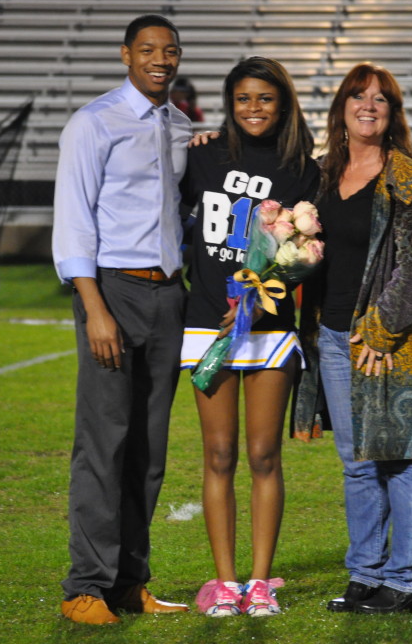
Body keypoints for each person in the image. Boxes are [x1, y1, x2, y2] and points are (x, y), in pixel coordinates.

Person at [51, 14, 191, 625]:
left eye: (170, 50)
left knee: (149, 449)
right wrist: (94, 306)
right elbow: (74, 217)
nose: (160, 59)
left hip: (170, 296)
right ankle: (85, 585)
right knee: (103, 444)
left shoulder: (181, 126)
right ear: (126, 55)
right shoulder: (93, 122)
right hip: (113, 292)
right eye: (148, 50)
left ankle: (129, 582)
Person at [292, 63, 412, 615]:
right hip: (330, 337)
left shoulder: (405, 176)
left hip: (389, 340)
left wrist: (379, 331)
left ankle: (409, 581)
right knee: (357, 460)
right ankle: (366, 573)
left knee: (401, 457)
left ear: (393, 113)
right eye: (359, 96)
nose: (369, 104)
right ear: (342, 109)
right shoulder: (321, 174)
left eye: (381, 98)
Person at [179, 56, 319, 617]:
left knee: (263, 455)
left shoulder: (304, 170)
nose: (253, 108)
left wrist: (265, 300)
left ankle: (260, 584)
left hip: (268, 327)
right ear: (229, 103)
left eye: (264, 98)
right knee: (218, 455)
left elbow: (306, 252)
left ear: (282, 103)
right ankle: (226, 582)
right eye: (243, 99)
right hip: (207, 322)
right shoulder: (201, 157)